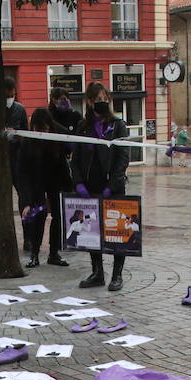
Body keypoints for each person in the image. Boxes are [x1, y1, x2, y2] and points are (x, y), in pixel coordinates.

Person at [72, 83, 131, 290]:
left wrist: (112, 185)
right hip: (90, 186)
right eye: (98, 99)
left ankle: (117, 275)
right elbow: (75, 158)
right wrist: (78, 182)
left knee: (117, 231)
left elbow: (123, 158)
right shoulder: (83, 126)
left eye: (105, 99)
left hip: (112, 187)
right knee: (91, 230)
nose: (102, 103)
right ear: (89, 101)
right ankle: (97, 272)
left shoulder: (117, 124)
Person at [18, 107, 73, 268]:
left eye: (45, 128)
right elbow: (23, 174)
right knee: (38, 217)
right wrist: (26, 201)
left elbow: (63, 164)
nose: (42, 131)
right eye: (38, 128)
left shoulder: (55, 139)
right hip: (36, 184)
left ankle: (54, 253)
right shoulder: (27, 142)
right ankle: (35, 254)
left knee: (58, 216)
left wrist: (70, 187)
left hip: (54, 182)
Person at [6, 76, 30, 248]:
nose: (9, 97)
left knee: (24, 198)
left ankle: (28, 237)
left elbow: (27, 135)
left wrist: (18, 136)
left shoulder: (20, 109)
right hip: (1, 162)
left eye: (11, 94)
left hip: (19, 161)